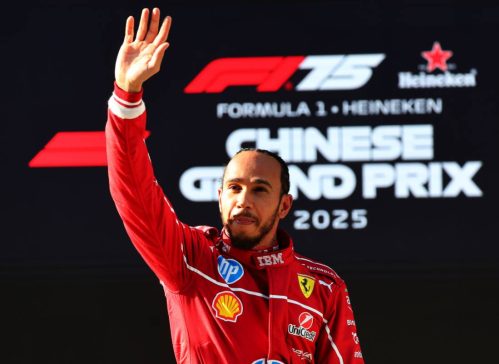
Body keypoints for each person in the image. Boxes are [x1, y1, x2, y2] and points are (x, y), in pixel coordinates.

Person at [106, 7, 364, 364]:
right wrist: (127, 96)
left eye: (260, 190)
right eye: (234, 188)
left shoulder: (323, 285)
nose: (244, 200)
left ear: (284, 205)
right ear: (220, 196)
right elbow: (135, 193)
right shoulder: (192, 259)